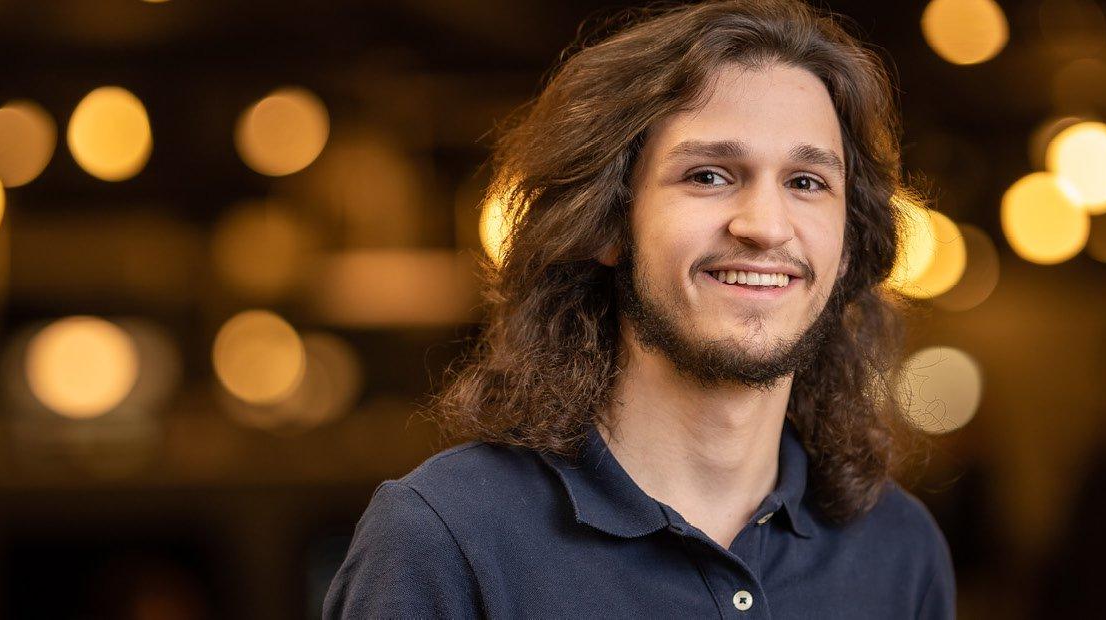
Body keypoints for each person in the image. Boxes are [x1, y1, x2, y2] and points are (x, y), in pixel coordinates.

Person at [324, 0, 954, 617]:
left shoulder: (899, 550)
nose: (765, 226)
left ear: (847, 247)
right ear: (607, 225)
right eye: (709, 175)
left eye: (807, 183)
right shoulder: (445, 542)